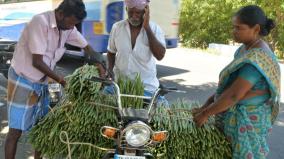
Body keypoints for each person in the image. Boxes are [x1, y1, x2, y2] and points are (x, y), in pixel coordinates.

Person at [4, 0, 105, 159]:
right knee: (15, 130)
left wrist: (99, 62)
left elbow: (86, 47)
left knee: (42, 127)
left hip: (44, 80)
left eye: (75, 25)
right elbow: (37, 61)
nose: (72, 28)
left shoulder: (67, 26)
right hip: (23, 79)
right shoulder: (40, 23)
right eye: (71, 23)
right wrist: (62, 81)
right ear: (60, 14)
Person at [193, 5, 281, 158]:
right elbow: (229, 87)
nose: (233, 31)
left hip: (248, 120)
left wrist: (206, 114)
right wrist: (206, 105)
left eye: (238, 28)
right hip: (235, 114)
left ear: (256, 28)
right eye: (233, 27)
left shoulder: (257, 58)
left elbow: (234, 95)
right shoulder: (244, 49)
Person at [105, 0, 168, 105]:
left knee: (162, 116)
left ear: (145, 12)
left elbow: (160, 55)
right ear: (126, 9)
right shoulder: (117, 28)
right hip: (119, 87)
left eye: (138, 13)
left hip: (146, 89)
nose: (134, 16)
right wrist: (109, 71)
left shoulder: (155, 29)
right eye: (130, 12)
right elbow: (111, 52)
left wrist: (147, 27)